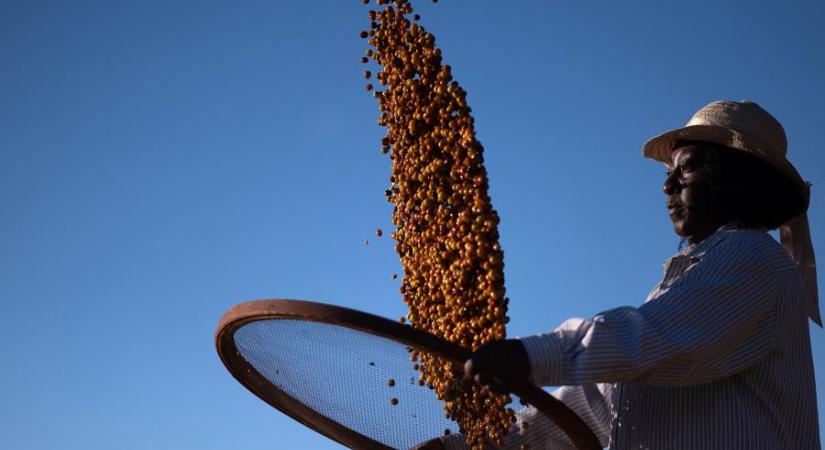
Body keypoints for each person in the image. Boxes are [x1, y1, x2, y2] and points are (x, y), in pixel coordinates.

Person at [423, 100, 821, 449]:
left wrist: (531, 355)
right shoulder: (685, 284)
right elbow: (600, 403)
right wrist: (475, 445)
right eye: (668, 171)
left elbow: (652, 341)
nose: (667, 185)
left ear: (737, 178)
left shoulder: (754, 260)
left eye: (688, 168)